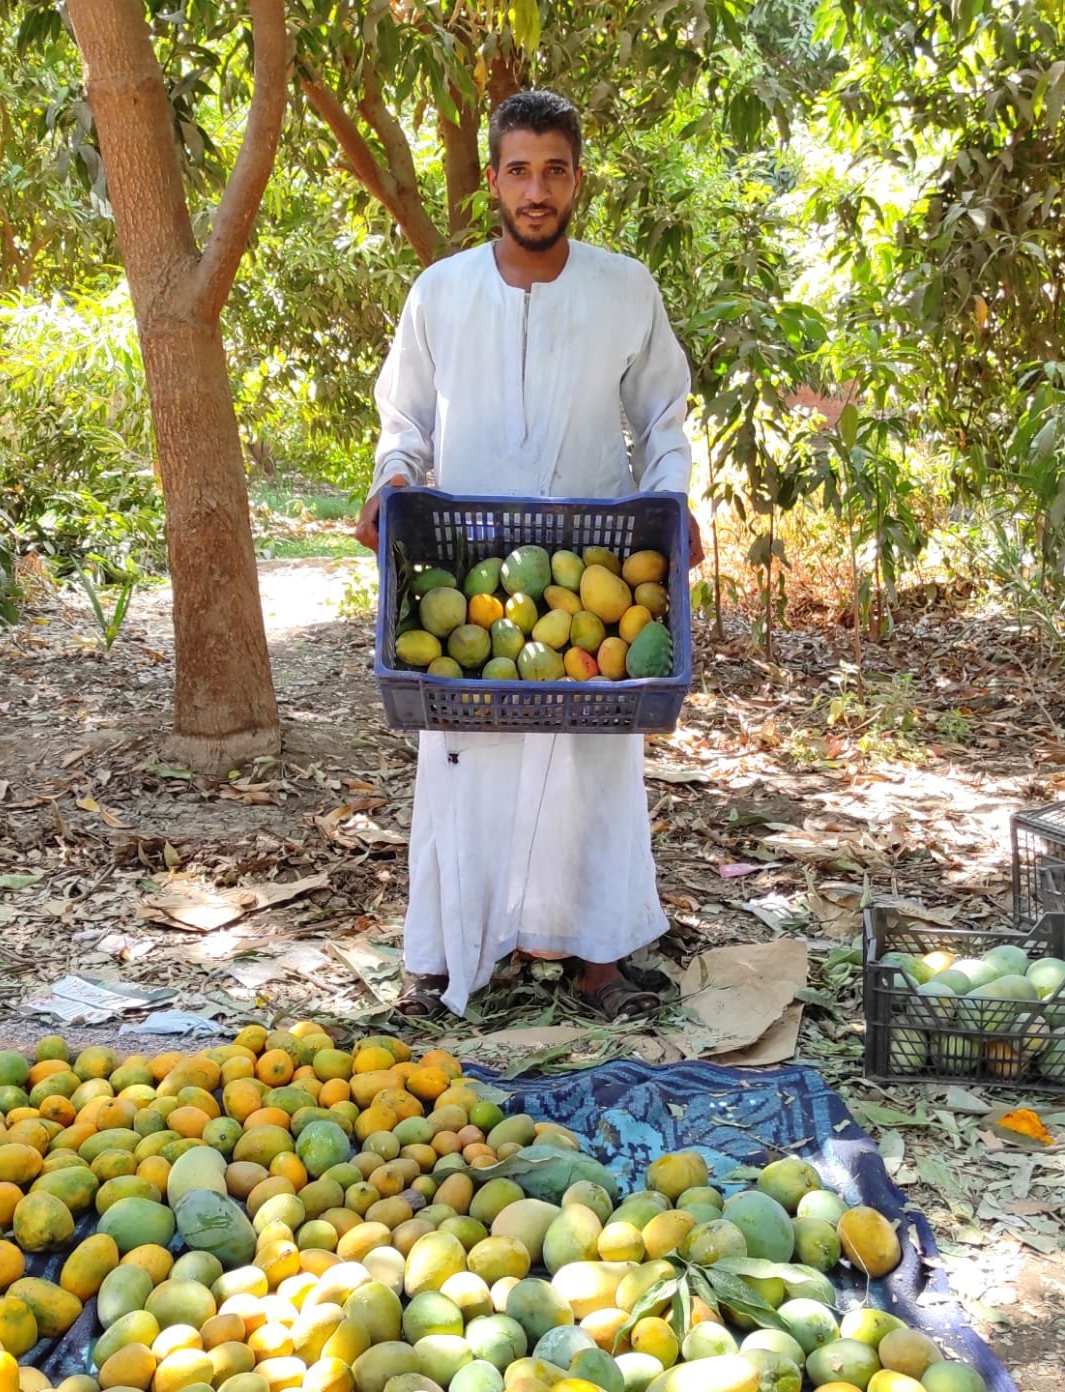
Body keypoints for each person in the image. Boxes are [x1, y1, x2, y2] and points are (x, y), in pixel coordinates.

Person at [354, 89, 703, 1020]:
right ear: (496, 184)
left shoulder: (625, 288)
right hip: (466, 571)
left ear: (576, 178)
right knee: (463, 754)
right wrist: (392, 479)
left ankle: (596, 959)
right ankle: (444, 960)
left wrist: (671, 505)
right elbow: (405, 420)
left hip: (589, 562)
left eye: (554, 170)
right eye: (518, 170)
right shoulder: (441, 292)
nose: (536, 190)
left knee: (590, 758)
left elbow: (661, 418)